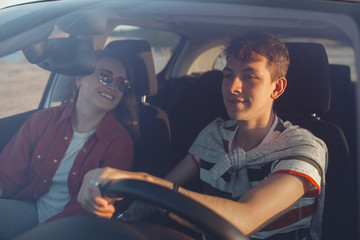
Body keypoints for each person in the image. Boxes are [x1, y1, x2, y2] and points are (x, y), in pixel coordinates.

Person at [80, 32, 326, 239]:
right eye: (228, 74)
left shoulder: (302, 150)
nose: (233, 87)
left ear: (277, 87)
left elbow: (246, 217)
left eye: (249, 76)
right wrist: (121, 221)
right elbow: (158, 196)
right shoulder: (214, 135)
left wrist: (148, 182)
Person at [0, 49, 139, 239]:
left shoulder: (119, 142)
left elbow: (91, 211)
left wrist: (41, 233)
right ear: (78, 79)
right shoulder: (42, 120)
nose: (113, 87)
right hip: (32, 209)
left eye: (121, 83)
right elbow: (8, 173)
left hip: (74, 227)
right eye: (105, 76)